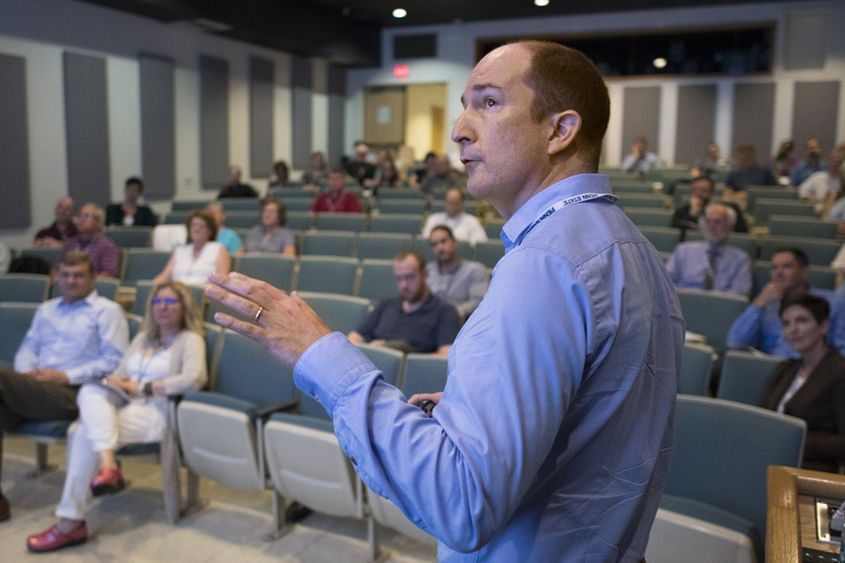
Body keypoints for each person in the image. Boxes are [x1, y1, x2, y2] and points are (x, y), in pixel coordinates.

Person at [205, 40, 682, 561]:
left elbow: (461, 501)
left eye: (488, 102)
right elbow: (589, 427)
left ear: (560, 130)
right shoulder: (634, 248)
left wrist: (317, 351)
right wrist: (464, 412)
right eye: (464, 104)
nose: (459, 128)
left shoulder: (544, 266)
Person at [26, 281, 206, 552]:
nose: (163, 308)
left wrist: (143, 387)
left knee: (80, 432)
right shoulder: (143, 338)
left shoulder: (189, 340)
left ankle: (70, 522)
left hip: (157, 411)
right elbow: (116, 373)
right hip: (125, 403)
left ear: (184, 307)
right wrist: (117, 381)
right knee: (89, 390)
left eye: (171, 302)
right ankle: (107, 468)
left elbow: (194, 380)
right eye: (158, 302)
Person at [0, 251, 128, 522]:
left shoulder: (107, 311)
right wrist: (28, 375)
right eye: (66, 275)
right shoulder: (46, 309)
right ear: (56, 277)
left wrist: (65, 376)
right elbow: (27, 349)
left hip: (77, 393)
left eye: (79, 275)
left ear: (93, 278)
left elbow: (113, 362)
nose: (71, 281)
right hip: (34, 389)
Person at [760, 295, 845, 472]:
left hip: (810, 468)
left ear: (823, 326)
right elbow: (761, 417)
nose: (793, 329)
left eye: (802, 320)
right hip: (769, 458)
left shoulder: (840, 373)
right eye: (786, 323)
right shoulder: (785, 368)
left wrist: (790, 440)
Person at [347, 250, 459, 356]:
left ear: (425, 273)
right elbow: (353, 338)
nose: (403, 285)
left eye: (409, 277)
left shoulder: (445, 311)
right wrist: (373, 350)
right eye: (399, 278)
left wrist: (403, 356)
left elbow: (445, 356)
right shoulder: (385, 305)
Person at [727, 248, 834, 357]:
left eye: (786, 266)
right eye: (774, 268)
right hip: (767, 369)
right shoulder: (765, 304)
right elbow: (735, 342)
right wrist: (758, 304)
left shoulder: (829, 302)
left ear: (803, 272)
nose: (779, 273)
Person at [665, 204, 751, 295]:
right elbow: (666, 282)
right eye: (708, 221)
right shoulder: (683, 250)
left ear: (731, 227)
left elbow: (740, 293)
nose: (712, 226)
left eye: (717, 222)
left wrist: (709, 302)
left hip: (720, 307)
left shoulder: (741, 259)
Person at [154, 209, 230, 287]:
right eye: (193, 225)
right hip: (177, 293)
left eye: (201, 226)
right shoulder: (180, 250)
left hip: (204, 294)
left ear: (210, 230)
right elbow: (164, 277)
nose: (196, 229)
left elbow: (222, 280)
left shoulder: (218, 248)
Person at [426, 226, 489, 318]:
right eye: (434, 244)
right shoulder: (427, 271)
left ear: (454, 242)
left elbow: (479, 302)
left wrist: (449, 315)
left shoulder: (475, 270)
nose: (439, 247)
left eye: (443, 241)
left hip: (463, 324)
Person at [56, 204, 120, 278]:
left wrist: (82, 280)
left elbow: (109, 275)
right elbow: (56, 270)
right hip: (67, 287)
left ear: (99, 222)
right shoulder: (69, 243)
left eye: (88, 216)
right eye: (80, 216)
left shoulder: (107, 246)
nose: (82, 219)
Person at [671, 176, 748, 234]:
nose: (699, 194)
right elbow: (678, 237)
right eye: (695, 190)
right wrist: (692, 215)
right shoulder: (681, 212)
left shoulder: (727, 212)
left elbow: (740, 236)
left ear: (711, 193)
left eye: (703, 190)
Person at [421, 188, 488, 244]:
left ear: (462, 203)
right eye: (450, 203)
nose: (452, 207)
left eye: (455, 203)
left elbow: (480, 243)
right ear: (445, 202)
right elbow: (426, 243)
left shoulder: (472, 221)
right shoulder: (433, 219)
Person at [801, 148, 844, 214]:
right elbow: (803, 192)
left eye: (838, 162)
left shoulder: (842, 180)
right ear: (828, 162)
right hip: (821, 210)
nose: (835, 164)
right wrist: (817, 199)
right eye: (833, 161)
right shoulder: (818, 177)